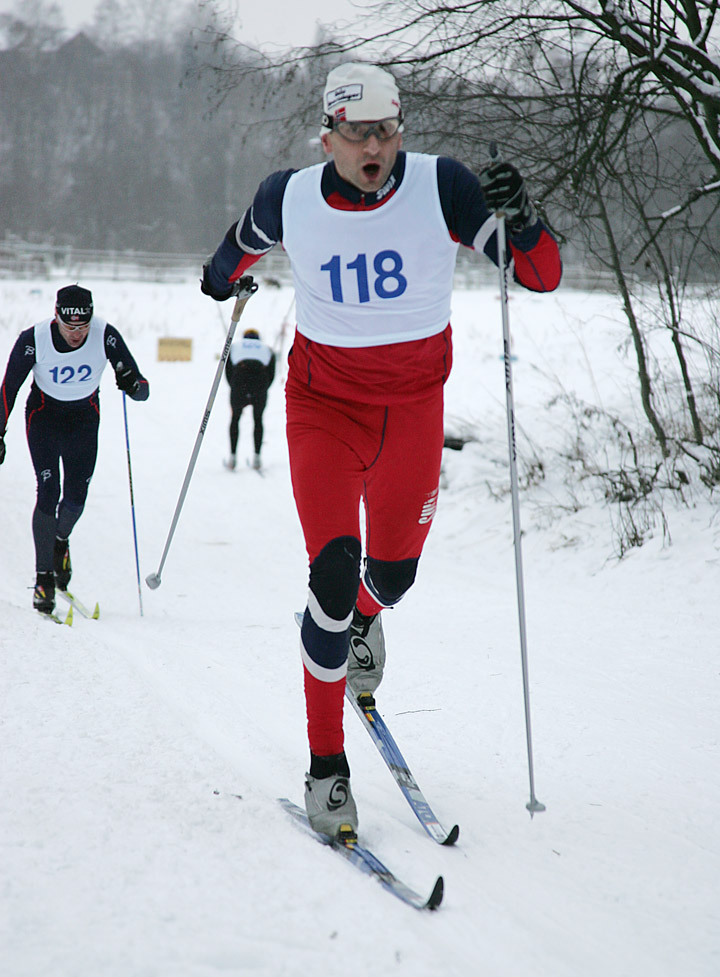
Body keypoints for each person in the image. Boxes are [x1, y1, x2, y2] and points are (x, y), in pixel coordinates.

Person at [201, 62, 562, 837]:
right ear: (327, 135)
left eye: (388, 130)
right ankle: (326, 766)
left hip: (412, 412)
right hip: (323, 406)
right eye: (359, 132)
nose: (377, 146)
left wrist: (523, 218)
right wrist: (220, 279)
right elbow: (236, 246)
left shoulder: (443, 187)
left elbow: (541, 276)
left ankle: (370, 617)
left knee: (392, 573)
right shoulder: (290, 195)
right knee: (331, 572)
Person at [0, 284, 149, 615]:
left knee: (76, 497)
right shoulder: (33, 338)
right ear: (57, 317)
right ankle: (43, 579)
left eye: (83, 327)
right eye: (70, 327)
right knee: (48, 491)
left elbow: (143, 390)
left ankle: (60, 541)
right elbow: (9, 387)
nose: (77, 334)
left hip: (84, 420)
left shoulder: (105, 334)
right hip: (44, 417)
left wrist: (131, 383)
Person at [224, 327, 276, 471]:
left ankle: (232, 457)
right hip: (259, 382)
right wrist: (264, 388)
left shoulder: (235, 346)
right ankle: (257, 458)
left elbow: (228, 370)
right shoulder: (266, 348)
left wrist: (234, 387)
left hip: (239, 381)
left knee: (235, 418)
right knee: (258, 420)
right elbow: (271, 372)